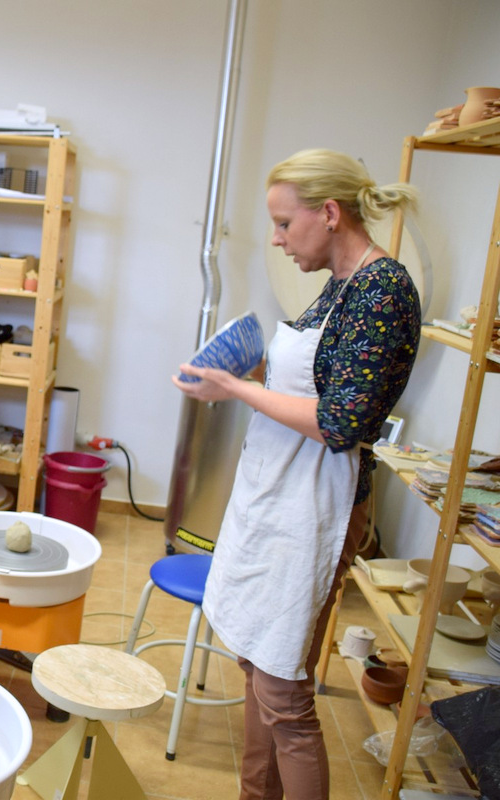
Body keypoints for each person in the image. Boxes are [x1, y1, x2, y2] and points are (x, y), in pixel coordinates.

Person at [173, 148, 421, 800]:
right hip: (279, 495)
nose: (278, 240)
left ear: (330, 213)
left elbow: (342, 422)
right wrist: (251, 371)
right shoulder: (339, 284)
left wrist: (237, 389)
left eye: (284, 224)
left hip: (317, 506)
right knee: (258, 669)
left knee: (284, 692)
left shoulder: (382, 292)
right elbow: (318, 382)